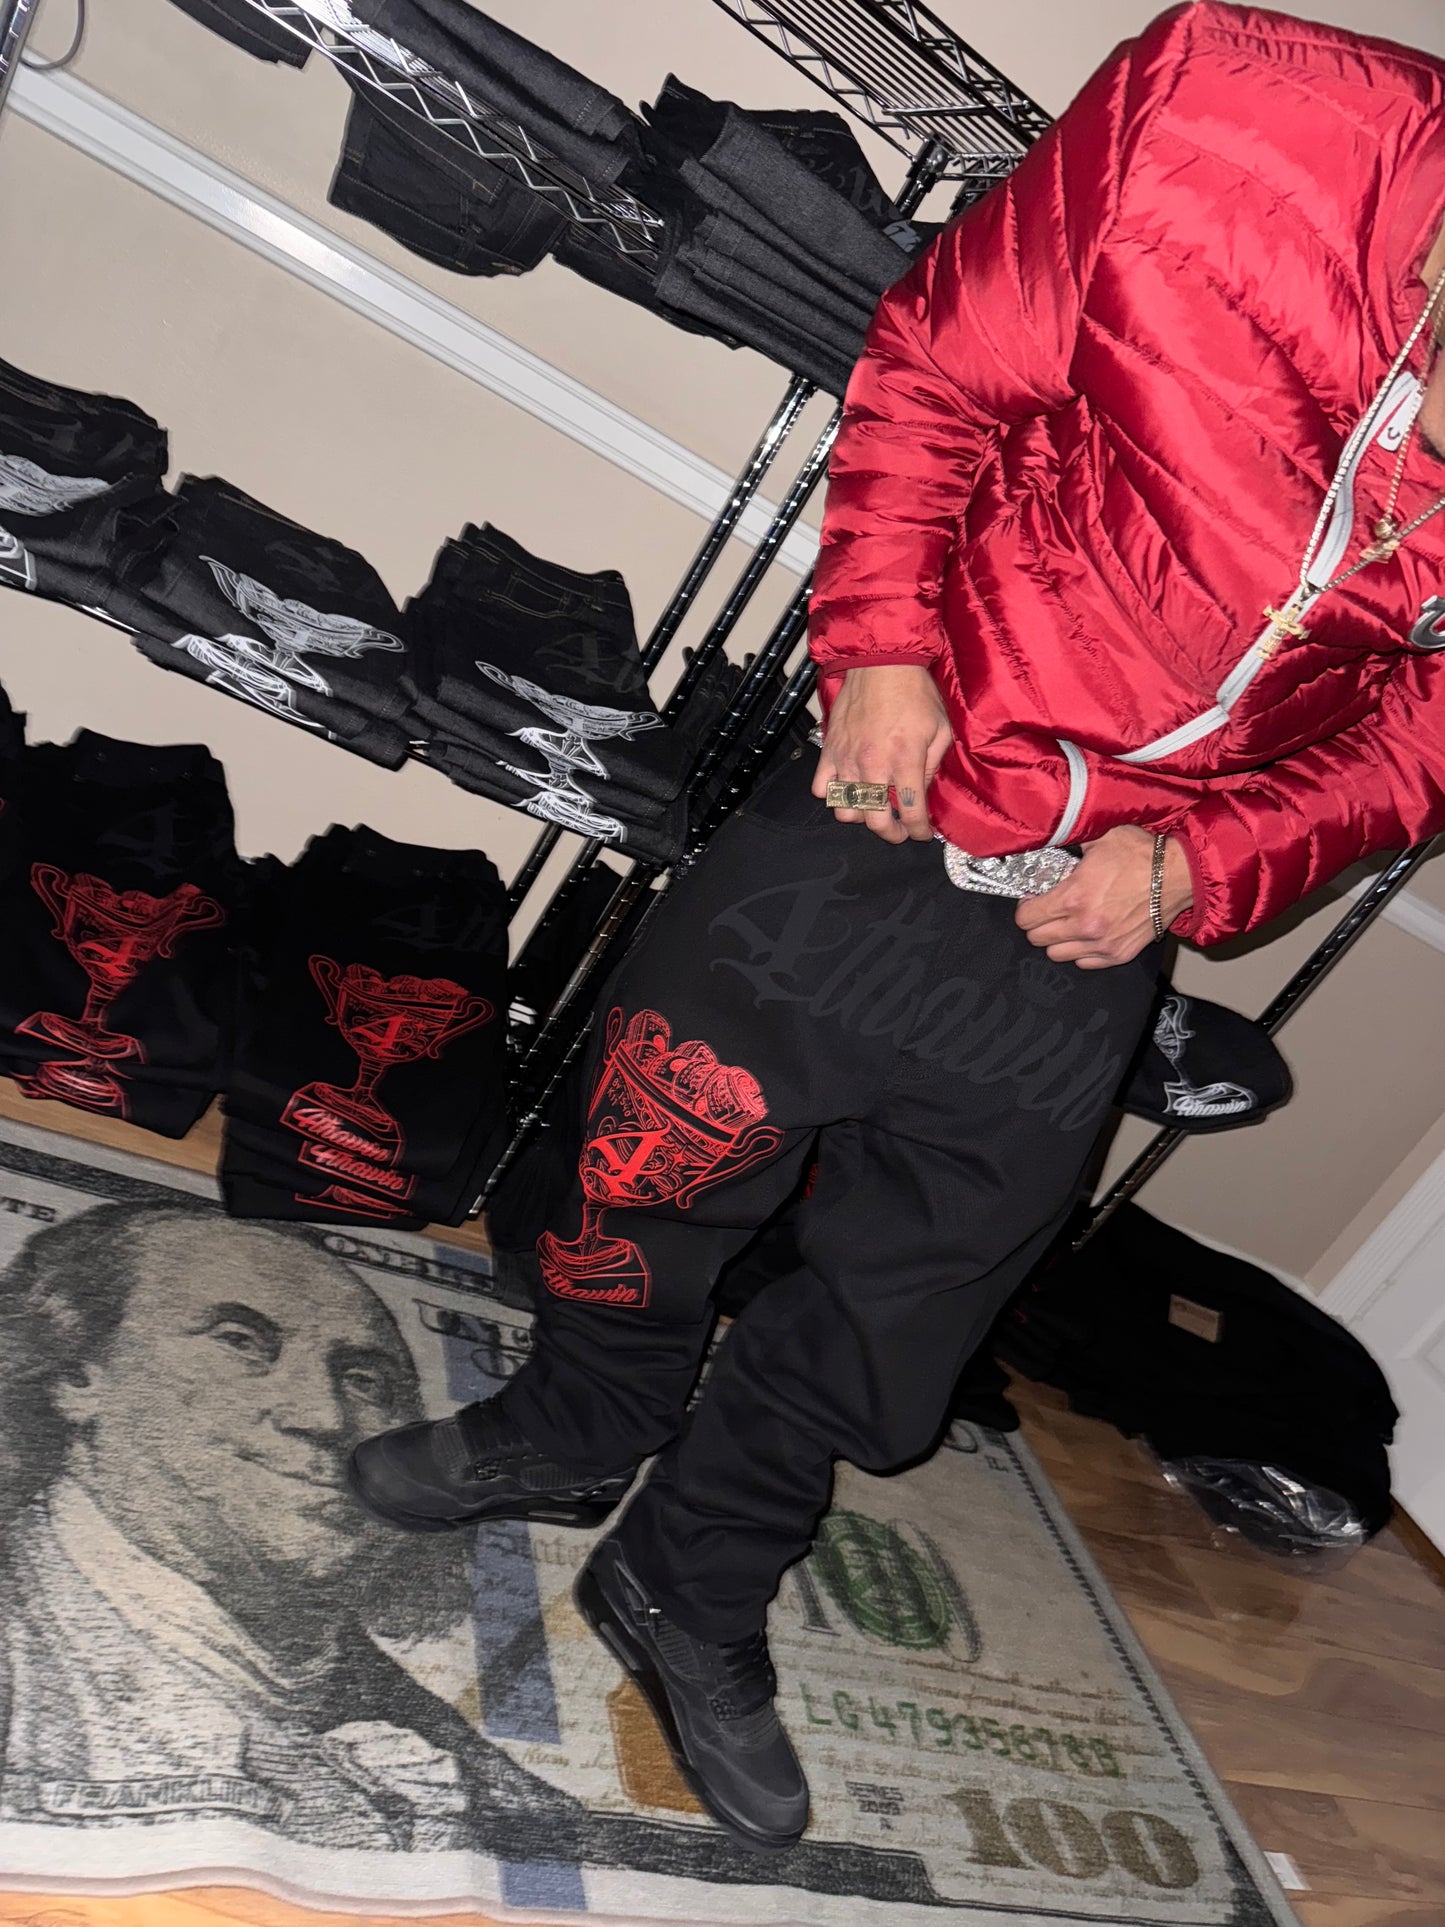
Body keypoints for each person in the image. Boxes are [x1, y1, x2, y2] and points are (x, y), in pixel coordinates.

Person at [351, 0, 1445, 1855]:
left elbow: (1421, 731)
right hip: (903, 777)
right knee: (652, 1159)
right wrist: (875, 646)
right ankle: (575, 1422)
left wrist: (1201, 867)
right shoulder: (1229, 106)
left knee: (902, 1308)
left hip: (1111, 904)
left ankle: (689, 1579)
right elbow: (940, 364)